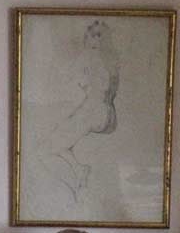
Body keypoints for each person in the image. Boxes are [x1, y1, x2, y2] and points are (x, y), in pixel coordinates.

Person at [38, 19, 120, 203]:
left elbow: (68, 77)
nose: (95, 39)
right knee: (56, 141)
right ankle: (78, 169)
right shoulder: (110, 60)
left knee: (43, 151)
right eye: (92, 35)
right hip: (105, 114)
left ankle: (74, 191)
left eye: (98, 36)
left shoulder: (88, 56)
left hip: (93, 111)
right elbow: (102, 88)